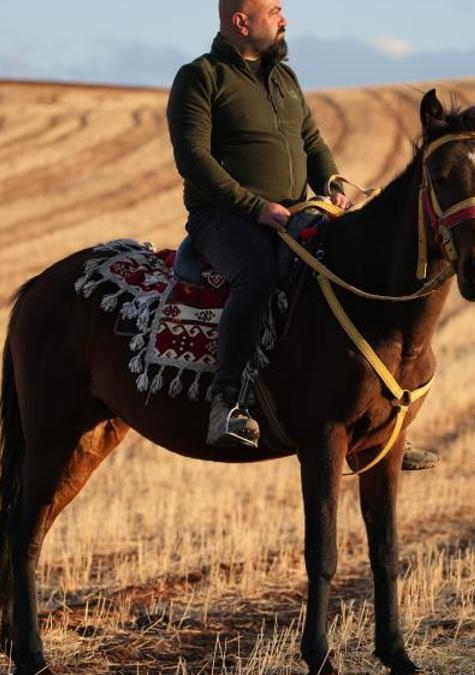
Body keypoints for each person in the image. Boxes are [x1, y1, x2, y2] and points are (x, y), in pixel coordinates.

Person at [166, 0, 439, 471]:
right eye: (274, 10)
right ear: (240, 21)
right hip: (224, 219)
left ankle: (377, 422)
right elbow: (194, 159)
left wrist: (331, 182)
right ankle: (227, 403)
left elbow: (311, 141)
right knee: (256, 274)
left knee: (351, 267)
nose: (284, 18)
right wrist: (254, 207)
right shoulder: (200, 77)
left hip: (292, 215)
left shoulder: (285, 80)